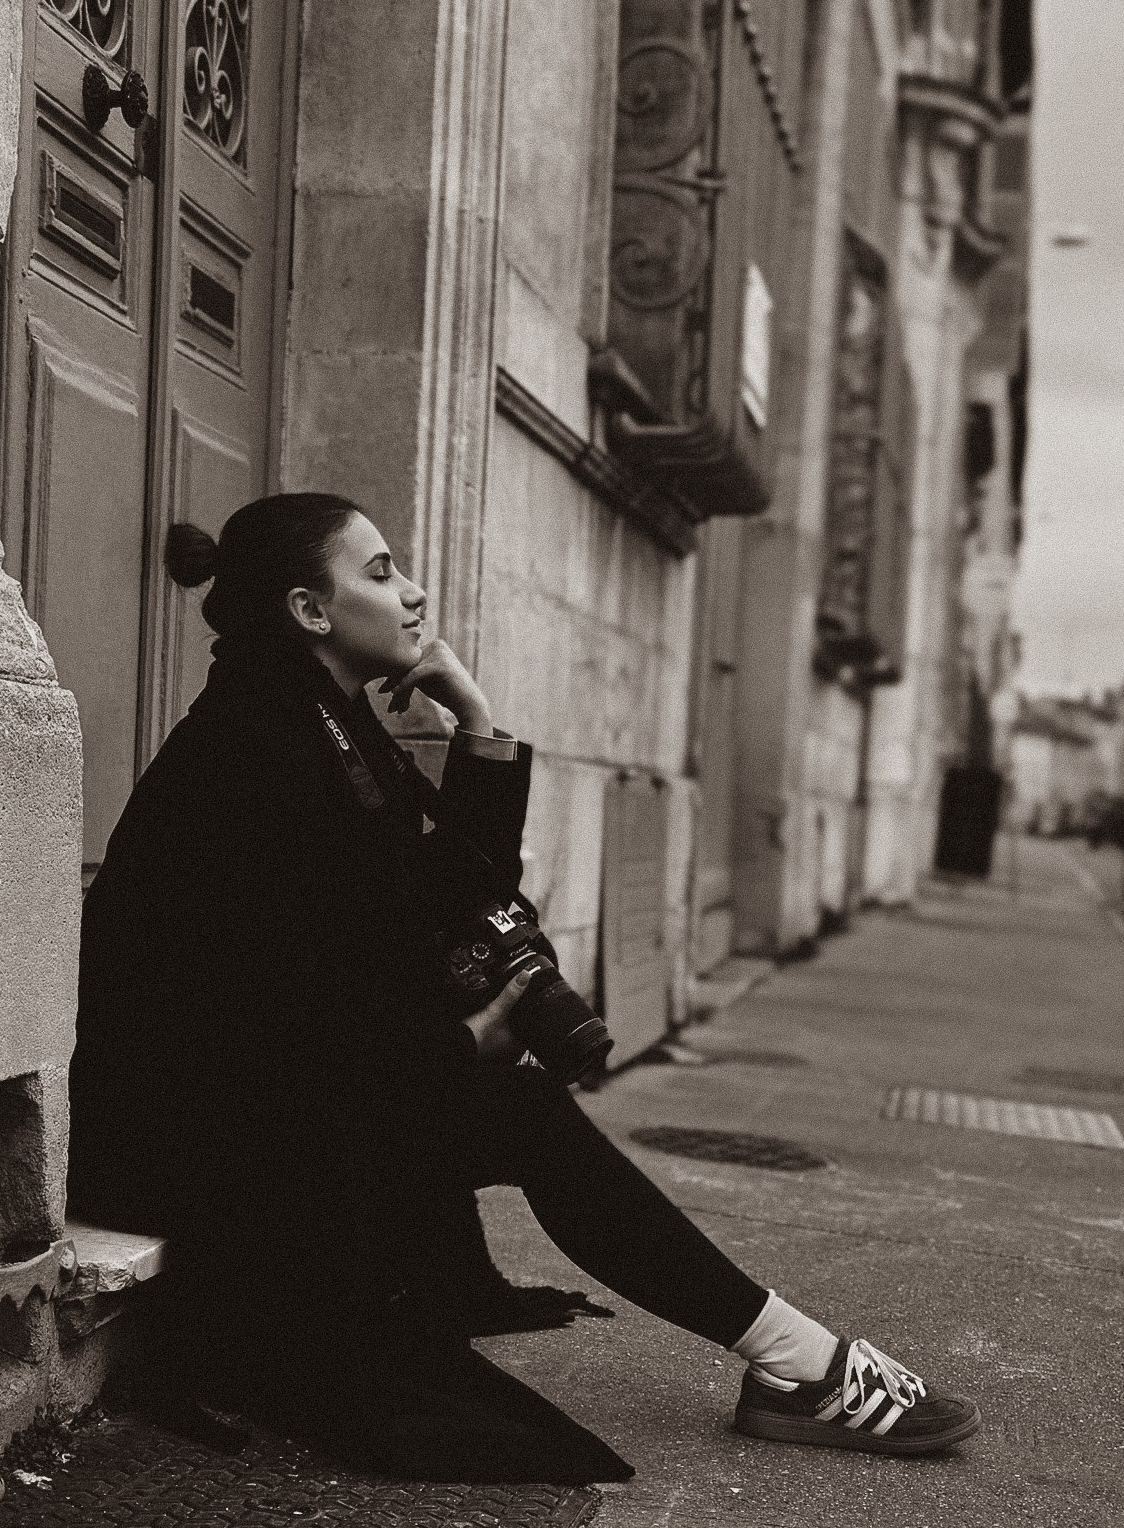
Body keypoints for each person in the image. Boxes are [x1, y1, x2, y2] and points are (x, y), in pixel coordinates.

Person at [68, 493, 980, 1481]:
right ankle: (797, 1364)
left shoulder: (313, 725)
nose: (413, 592)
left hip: (264, 1113)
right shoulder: (256, 756)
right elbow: (277, 1022)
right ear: (307, 610)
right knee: (521, 1111)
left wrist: (475, 718)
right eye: (377, 572)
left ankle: (790, 1359)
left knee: (520, 1105)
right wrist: (461, 1048)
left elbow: (441, 898)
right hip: (205, 1153)